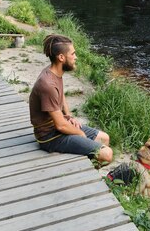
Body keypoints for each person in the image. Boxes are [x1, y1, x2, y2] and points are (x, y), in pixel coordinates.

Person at [29, 34, 112, 164]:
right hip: (49, 137)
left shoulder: (55, 72)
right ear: (61, 57)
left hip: (57, 127)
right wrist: (80, 134)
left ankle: (91, 170)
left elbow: (61, 96)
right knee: (107, 154)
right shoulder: (47, 84)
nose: (76, 57)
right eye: (73, 54)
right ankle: (85, 171)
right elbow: (60, 125)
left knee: (104, 138)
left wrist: (69, 116)